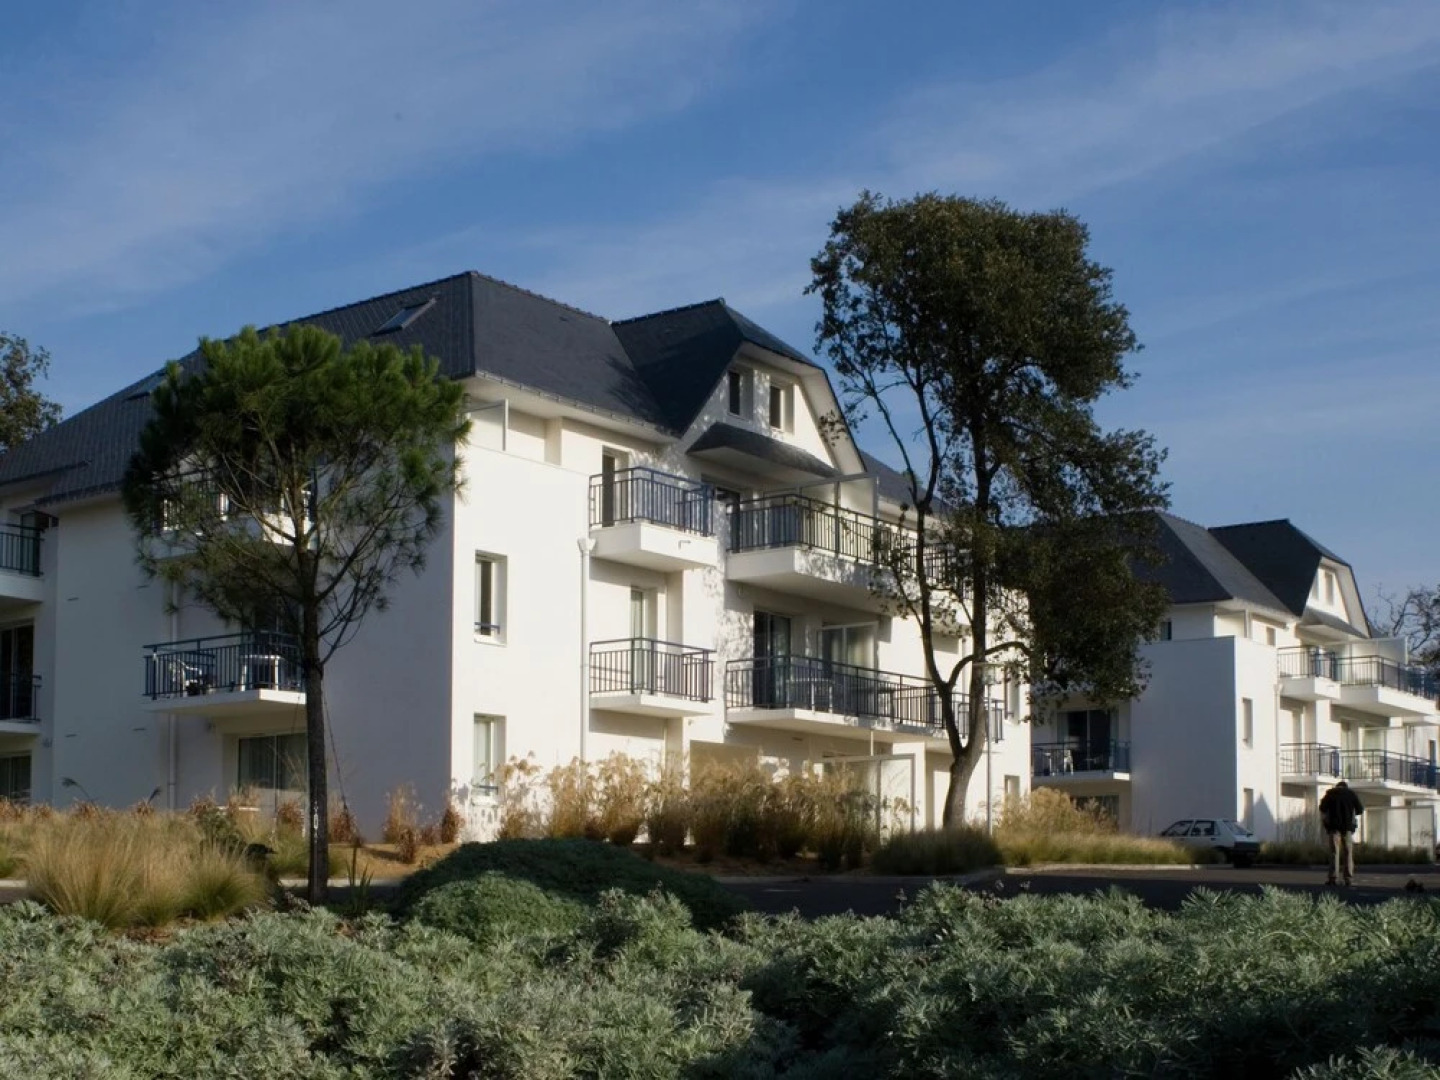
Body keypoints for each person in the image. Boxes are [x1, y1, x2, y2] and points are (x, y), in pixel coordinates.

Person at [1319, 779, 1364, 886]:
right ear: (1346, 787)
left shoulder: (1330, 794)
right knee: (1348, 852)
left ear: (1337, 786)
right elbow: (1360, 810)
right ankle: (1348, 878)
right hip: (1347, 827)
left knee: (1334, 852)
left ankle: (1333, 878)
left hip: (1334, 827)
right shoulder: (1351, 794)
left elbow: (1322, 808)